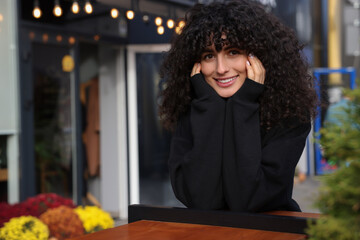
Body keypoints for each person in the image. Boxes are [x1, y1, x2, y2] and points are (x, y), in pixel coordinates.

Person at [159, 0, 317, 212]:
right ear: (196, 65)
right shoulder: (191, 112)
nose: (221, 68)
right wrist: (209, 108)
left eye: (233, 52)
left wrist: (244, 102)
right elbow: (201, 200)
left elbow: (248, 200)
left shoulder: (288, 114)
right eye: (208, 56)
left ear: (260, 55)